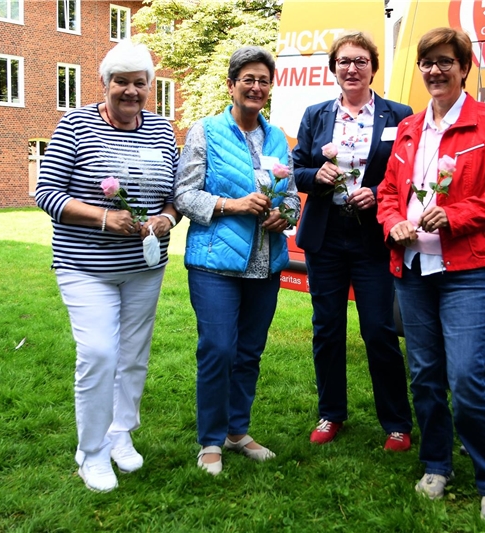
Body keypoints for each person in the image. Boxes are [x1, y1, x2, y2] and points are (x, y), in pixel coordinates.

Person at [377, 28, 485, 524]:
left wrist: (458, 215)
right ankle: (436, 464)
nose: (435, 71)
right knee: (424, 376)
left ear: (464, 67)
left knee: (466, 377)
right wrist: (392, 222)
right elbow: (387, 193)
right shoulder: (410, 128)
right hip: (415, 268)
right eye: (427, 63)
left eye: (445, 62)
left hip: (470, 269)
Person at [35, 39, 180, 493]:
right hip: (85, 266)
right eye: (122, 81)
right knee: (99, 353)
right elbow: (46, 193)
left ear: (149, 88)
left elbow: (176, 196)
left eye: (140, 83)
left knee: (133, 357)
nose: (131, 91)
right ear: (105, 84)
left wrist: (167, 218)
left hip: (144, 265)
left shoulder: (161, 130)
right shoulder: (75, 124)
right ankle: (91, 452)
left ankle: (120, 435)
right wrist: (102, 217)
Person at [173, 46, 300, 476]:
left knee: (249, 352)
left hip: (265, 264)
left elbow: (293, 198)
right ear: (231, 85)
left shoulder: (279, 137)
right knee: (219, 349)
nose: (256, 86)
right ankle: (210, 440)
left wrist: (288, 213)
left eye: (263, 80)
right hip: (215, 264)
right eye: (248, 78)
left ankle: (236, 431)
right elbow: (184, 195)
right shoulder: (205, 131)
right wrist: (232, 204)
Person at [292, 31, 414, 450]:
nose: (352, 68)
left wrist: (378, 193)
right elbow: (298, 168)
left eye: (360, 61)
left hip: (373, 236)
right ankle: (331, 413)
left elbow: (409, 175)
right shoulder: (316, 114)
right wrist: (316, 177)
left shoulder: (400, 115)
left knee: (379, 328)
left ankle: (397, 421)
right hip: (326, 235)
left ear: (373, 68)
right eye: (344, 61)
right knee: (327, 327)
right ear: (334, 68)